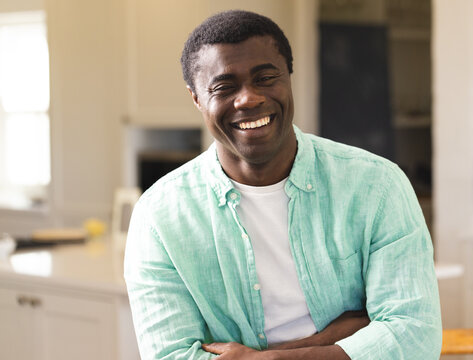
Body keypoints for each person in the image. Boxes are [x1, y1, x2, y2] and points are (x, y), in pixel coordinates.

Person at [124, 9, 442, 360]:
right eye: (224, 87)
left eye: (265, 78)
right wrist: (338, 339)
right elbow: (170, 356)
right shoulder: (157, 217)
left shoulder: (378, 186)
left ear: (289, 77)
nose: (248, 98)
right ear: (197, 98)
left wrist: (269, 357)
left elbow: (414, 337)